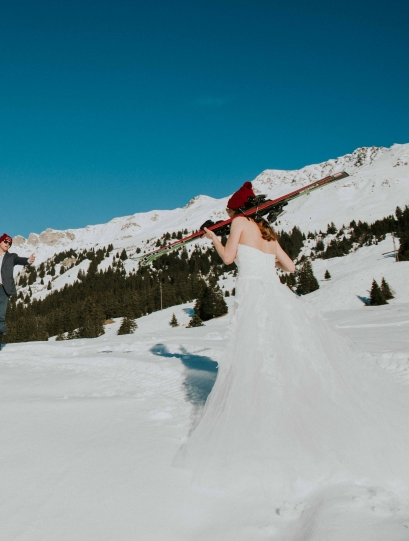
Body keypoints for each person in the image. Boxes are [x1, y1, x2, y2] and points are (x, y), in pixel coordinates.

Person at [174, 181, 409, 497]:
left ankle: (267, 423)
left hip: (256, 296)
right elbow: (291, 265)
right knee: (287, 353)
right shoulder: (268, 233)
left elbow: (229, 259)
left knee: (259, 353)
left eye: (229, 210)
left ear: (236, 209)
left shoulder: (239, 223)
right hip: (278, 296)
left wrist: (214, 238)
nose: (227, 214)